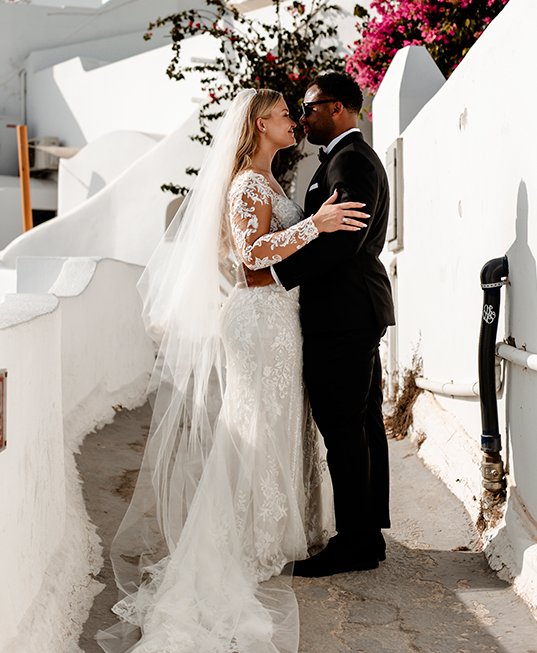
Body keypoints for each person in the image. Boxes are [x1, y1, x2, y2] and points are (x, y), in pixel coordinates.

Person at [97, 88, 369, 653]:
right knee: (255, 422)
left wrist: (312, 223)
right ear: (259, 124)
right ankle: (248, 538)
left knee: (280, 421)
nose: (293, 122)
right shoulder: (246, 182)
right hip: (256, 319)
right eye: (283, 116)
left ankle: (275, 529)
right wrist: (315, 224)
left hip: (281, 316)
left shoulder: (272, 181)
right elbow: (251, 254)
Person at [244, 71, 395, 577]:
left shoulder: (349, 159)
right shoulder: (338, 159)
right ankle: (367, 533)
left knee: (344, 427)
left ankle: (355, 540)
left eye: (308, 109)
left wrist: (277, 276)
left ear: (338, 109)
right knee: (360, 422)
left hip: (344, 313)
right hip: (349, 310)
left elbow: (342, 239)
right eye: (297, 112)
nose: (302, 117)